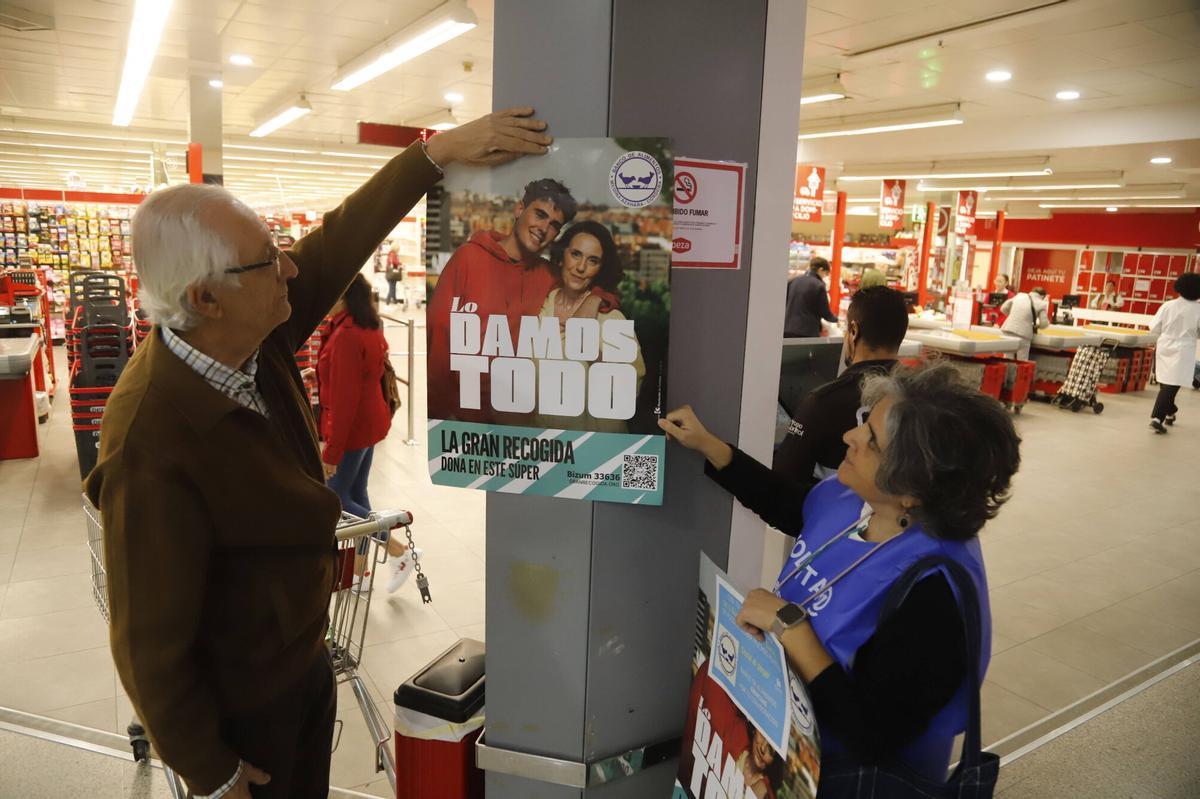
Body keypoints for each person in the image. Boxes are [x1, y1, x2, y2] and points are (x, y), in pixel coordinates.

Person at [83, 107, 550, 799]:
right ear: (205, 296)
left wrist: (436, 153)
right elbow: (148, 646)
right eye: (269, 261)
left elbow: (337, 240)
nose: (291, 266)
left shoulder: (245, 332)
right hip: (243, 716)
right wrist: (211, 773)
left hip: (299, 664)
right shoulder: (151, 439)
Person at [660, 362, 1020, 787]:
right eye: (862, 424)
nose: (849, 437)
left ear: (912, 490)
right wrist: (711, 447)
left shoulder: (936, 591)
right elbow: (793, 507)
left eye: (871, 441)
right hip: (789, 754)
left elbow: (872, 733)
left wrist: (789, 625)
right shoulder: (851, 498)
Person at [426, 178, 578, 423]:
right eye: (539, 214)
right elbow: (439, 332)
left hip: (520, 422)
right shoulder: (468, 258)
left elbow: (592, 290)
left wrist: (600, 300)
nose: (543, 227)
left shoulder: (550, 276)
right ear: (519, 209)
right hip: (463, 418)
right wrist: (441, 413)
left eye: (553, 225)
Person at [318, 274, 415, 592]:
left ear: (343, 297)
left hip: (354, 427)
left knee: (338, 499)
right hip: (371, 421)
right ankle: (361, 573)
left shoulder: (346, 334)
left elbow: (345, 402)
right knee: (357, 496)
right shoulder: (364, 323)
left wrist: (332, 452)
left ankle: (398, 550)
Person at [775, 286, 908, 487]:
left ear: (854, 332)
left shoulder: (823, 401)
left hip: (831, 515)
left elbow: (782, 480)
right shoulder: (922, 396)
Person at [534, 220, 644, 432]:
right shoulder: (538, 305)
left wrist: (593, 354)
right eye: (575, 254)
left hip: (592, 447)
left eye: (592, 261)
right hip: (540, 445)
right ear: (561, 255)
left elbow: (629, 391)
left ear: (600, 268)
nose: (581, 267)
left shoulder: (611, 318)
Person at [1148, 273, 1200, 434]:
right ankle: (1157, 418)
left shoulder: (1168, 305)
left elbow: (1154, 327)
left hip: (1165, 347)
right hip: (1184, 349)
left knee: (1166, 382)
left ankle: (1170, 412)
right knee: (1171, 385)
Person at [784, 256, 837, 338]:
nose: (825, 277)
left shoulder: (793, 281)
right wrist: (835, 320)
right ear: (821, 269)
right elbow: (824, 311)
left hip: (787, 328)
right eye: (826, 274)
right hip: (807, 331)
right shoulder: (819, 285)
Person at [1000, 286, 1050, 360]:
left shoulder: (1019, 295)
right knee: (1022, 360)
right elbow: (1044, 323)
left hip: (1008, 329)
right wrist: (1036, 326)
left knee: (1007, 358)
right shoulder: (1041, 303)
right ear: (1042, 296)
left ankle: (1008, 371)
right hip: (1023, 333)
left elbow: (1003, 308)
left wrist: (1013, 316)